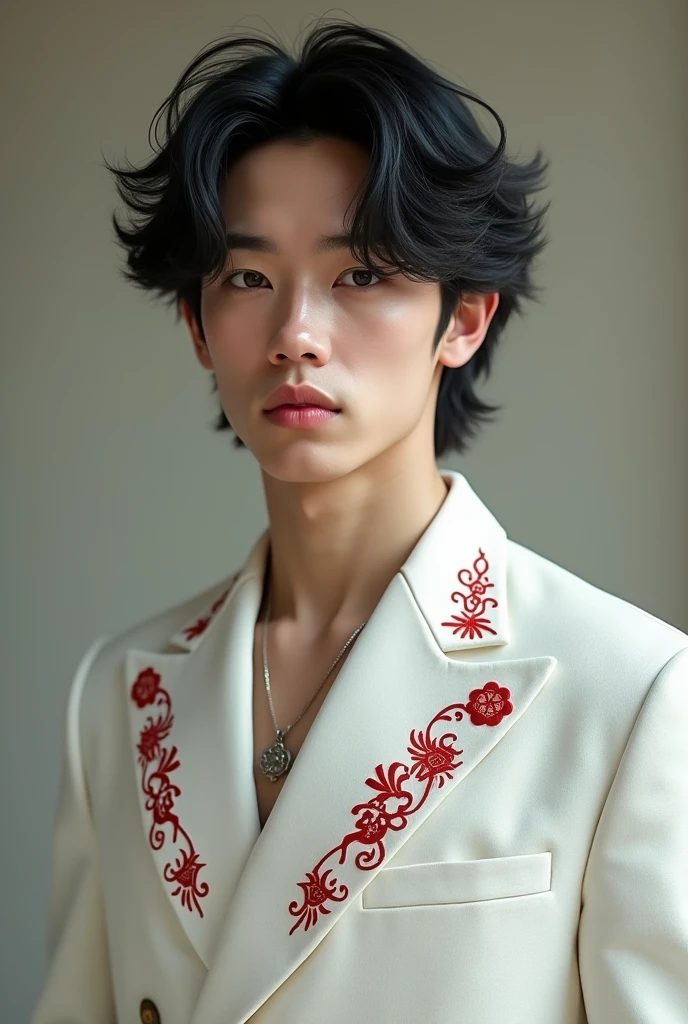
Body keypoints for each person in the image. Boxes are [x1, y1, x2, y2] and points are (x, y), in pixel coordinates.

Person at [32, 19, 688, 1024]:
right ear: (199, 326)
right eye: (248, 277)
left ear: (464, 317)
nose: (295, 333)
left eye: (360, 274)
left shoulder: (630, 690)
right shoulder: (119, 692)